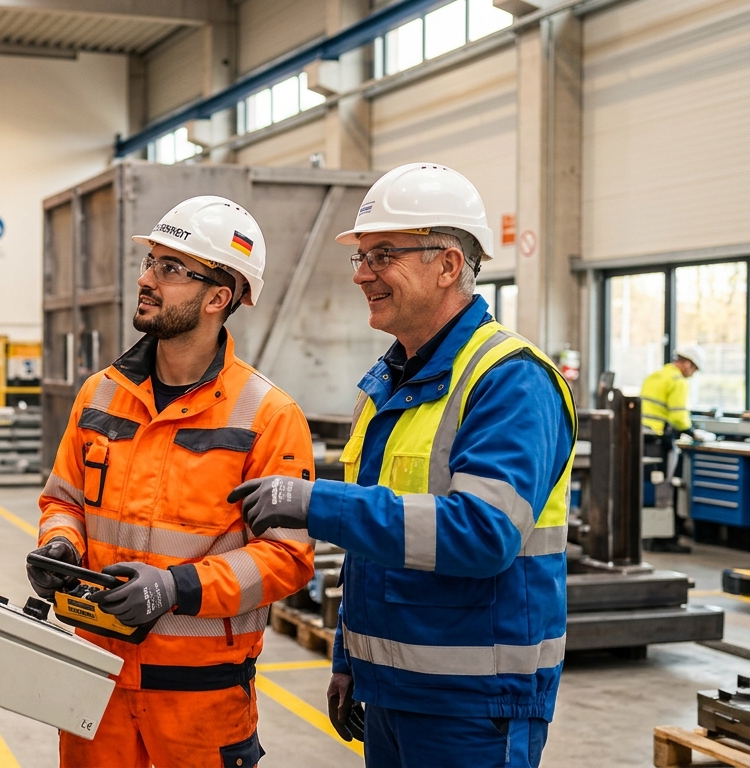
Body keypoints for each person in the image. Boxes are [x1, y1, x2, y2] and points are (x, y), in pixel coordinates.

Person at [229, 163, 574, 768]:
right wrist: (348, 658)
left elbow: (482, 534)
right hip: (392, 690)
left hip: (475, 704)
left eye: (383, 254)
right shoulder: (391, 384)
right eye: (361, 257)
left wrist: (317, 504)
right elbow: (378, 547)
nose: (362, 275)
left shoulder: (509, 380)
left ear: (447, 264)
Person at [31, 196, 316, 768]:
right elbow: (63, 499)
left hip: (201, 701)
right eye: (150, 263)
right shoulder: (100, 394)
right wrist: (60, 544)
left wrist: (177, 589)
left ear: (218, 297)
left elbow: (287, 557)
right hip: (95, 682)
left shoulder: (268, 416)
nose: (146, 280)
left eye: (170, 268)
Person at [641, 346, 704, 552]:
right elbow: (678, 416)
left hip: (643, 438)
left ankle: (647, 534)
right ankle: (664, 538)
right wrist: (693, 432)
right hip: (660, 441)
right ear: (686, 363)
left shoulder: (655, 375)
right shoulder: (678, 381)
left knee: (647, 487)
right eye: (693, 369)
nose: (691, 374)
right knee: (665, 490)